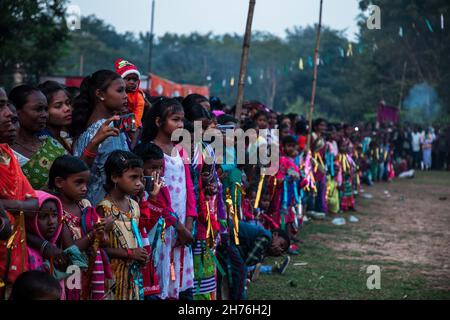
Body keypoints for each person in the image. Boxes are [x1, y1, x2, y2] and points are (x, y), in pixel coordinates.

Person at [141, 97, 197, 300]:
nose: (180, 125)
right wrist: (178, 226)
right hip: (163, 228)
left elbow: (190, 190)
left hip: (183, 229)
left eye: (182, 120)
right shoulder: (152, 154)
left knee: (182, 284)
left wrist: (188, 225)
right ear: (158, 122)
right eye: (175, 119)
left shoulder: (181, 150)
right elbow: (156, 197)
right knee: (163, 276)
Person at [48, 155, 111, 300]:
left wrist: (104, 230)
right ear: (59, 182)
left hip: (92, 265)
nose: (84, 188)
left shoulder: (85, 205)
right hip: (71, 270)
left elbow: (105, 241)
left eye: (86, 183)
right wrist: (93, 234)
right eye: (78, 183)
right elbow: (71, 249)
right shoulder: (56, 210)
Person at [71, 70, 130, 206]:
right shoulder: (107, 130)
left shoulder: (90, 125)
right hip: (107, 209)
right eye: (120, 91)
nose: (125, 96)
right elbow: (117, 176)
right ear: (100, 94)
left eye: (125, 91)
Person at [96, 150, 149, 300]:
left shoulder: (134, 205)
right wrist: (130, 253)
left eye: (140, 177)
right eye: (133, 177)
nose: (139, 183)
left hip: (132, 276)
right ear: (114, 177)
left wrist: (140, 254)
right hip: (113, 276)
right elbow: (100, 247)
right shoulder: (104, 208)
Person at [9, 85, 67, 189]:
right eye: (38, 109)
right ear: (16, 111)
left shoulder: (52, 144)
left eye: (45, 109)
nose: (45, 114)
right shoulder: (7, 152)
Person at [216, 220, 290, 300]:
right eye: (281, 244)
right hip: (226, 234)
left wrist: (267, 253)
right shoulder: (266, 237)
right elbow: (249, 260)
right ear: (275, 235)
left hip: (228, 237)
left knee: (234, 270)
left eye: (282, 250)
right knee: (241, 270)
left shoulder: (266, 241)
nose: (279, 249)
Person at [37, 81, 73, 152]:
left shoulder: (63, 137)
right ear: (44, 110)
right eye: (58, 106)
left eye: (68, 103)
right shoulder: (42, 140)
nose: (67, 109)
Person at [114, 58, 150, 128]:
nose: (132, 82)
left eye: (135, 80)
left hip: (132, 121)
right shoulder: (114, 92)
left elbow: (137, 115)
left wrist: (132, 127)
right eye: (128, 79)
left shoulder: (139, 97)